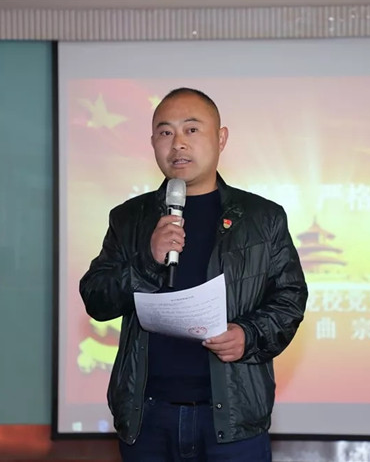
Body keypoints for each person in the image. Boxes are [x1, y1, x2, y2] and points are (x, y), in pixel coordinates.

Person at [79, 87, 308, 461]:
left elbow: (290, 298)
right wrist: (147, 259)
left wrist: (248, 335)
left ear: (221, 138)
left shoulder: (262, 218)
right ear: (153, 143)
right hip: (147, 417)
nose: (178, 144)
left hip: (233, 421)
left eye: (191, 129)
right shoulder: (129, 218)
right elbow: (96, 298)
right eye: (165, 132)